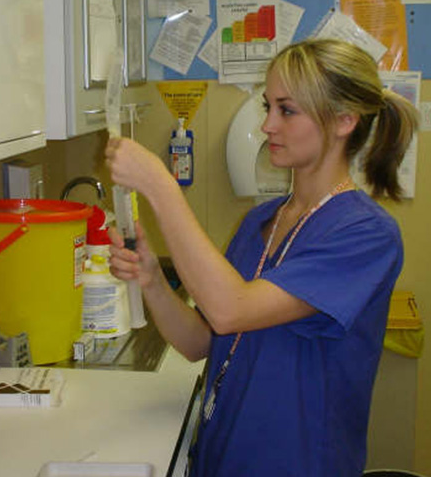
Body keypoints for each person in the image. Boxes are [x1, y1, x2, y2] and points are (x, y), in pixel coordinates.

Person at [104, 38, 418, 477]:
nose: (268, 124)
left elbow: (231, 310)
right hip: (224, 457)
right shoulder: (259, 222)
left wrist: (160, 185)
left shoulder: (366, 236)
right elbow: (202, 341)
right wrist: (153, 281)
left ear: (345, 120)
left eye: (287, 110)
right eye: (268, 106)